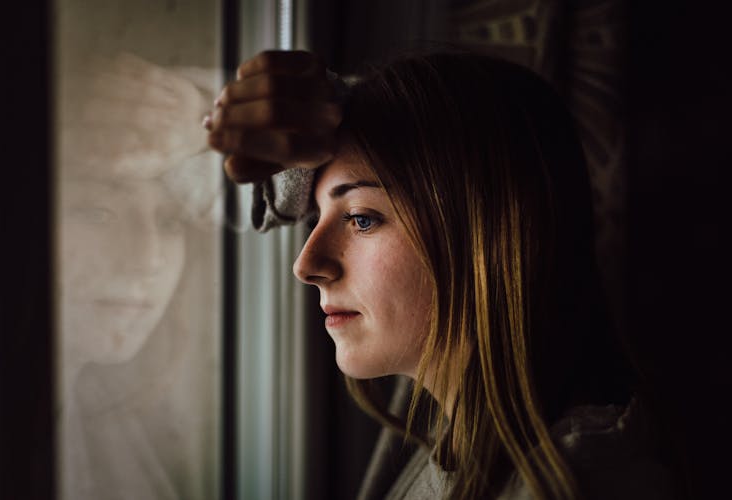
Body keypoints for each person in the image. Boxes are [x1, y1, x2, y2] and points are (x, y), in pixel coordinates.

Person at [207, 50, 673, 499]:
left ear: (483, 232)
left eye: (362, 218)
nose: (306, 266)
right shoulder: (453, 422)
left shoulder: (571, 483)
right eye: (317, 217)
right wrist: (324, 109)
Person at [59, 52, 222, 500]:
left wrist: (202, 117)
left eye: (171, 221)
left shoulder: (114, 413)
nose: (147, 258)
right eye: (96, 212)